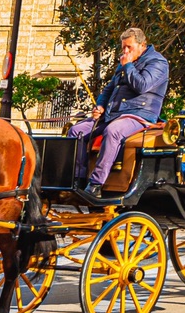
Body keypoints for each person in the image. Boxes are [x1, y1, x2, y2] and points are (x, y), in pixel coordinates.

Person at [68, 27, 169, 202]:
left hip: (140, 115)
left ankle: (96, 185)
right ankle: (77, 179)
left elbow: (142, 86)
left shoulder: (157, 62)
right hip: (112, 114)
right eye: (123, 47)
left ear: (142, 45)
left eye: (129, 47)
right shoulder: (124, 63)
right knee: (76, 131)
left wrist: (128, 65)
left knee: (113, 131)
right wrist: (99, 105)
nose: (125, 51)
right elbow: (108, 90)